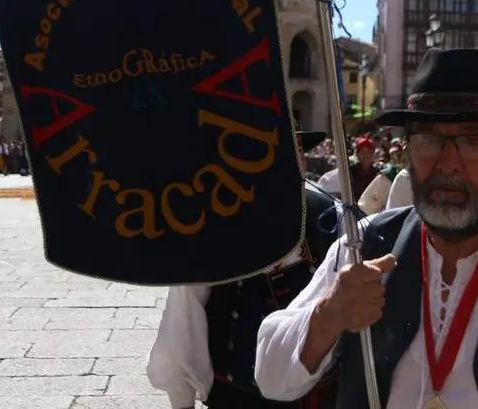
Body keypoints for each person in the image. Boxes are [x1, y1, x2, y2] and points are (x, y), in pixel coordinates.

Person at [255, 49, 478, 409]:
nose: (448, 163)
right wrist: (329, 316)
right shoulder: (362, 248)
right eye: (429, 139)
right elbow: (270, 376)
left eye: (472, 140)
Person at [145, 130, 357, 409]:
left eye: (293, 153)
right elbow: (184, 318)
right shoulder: (213, 224)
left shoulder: (334, 217)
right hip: (238, 394)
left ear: (302, 159)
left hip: (316, 393)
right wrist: (181, 397)